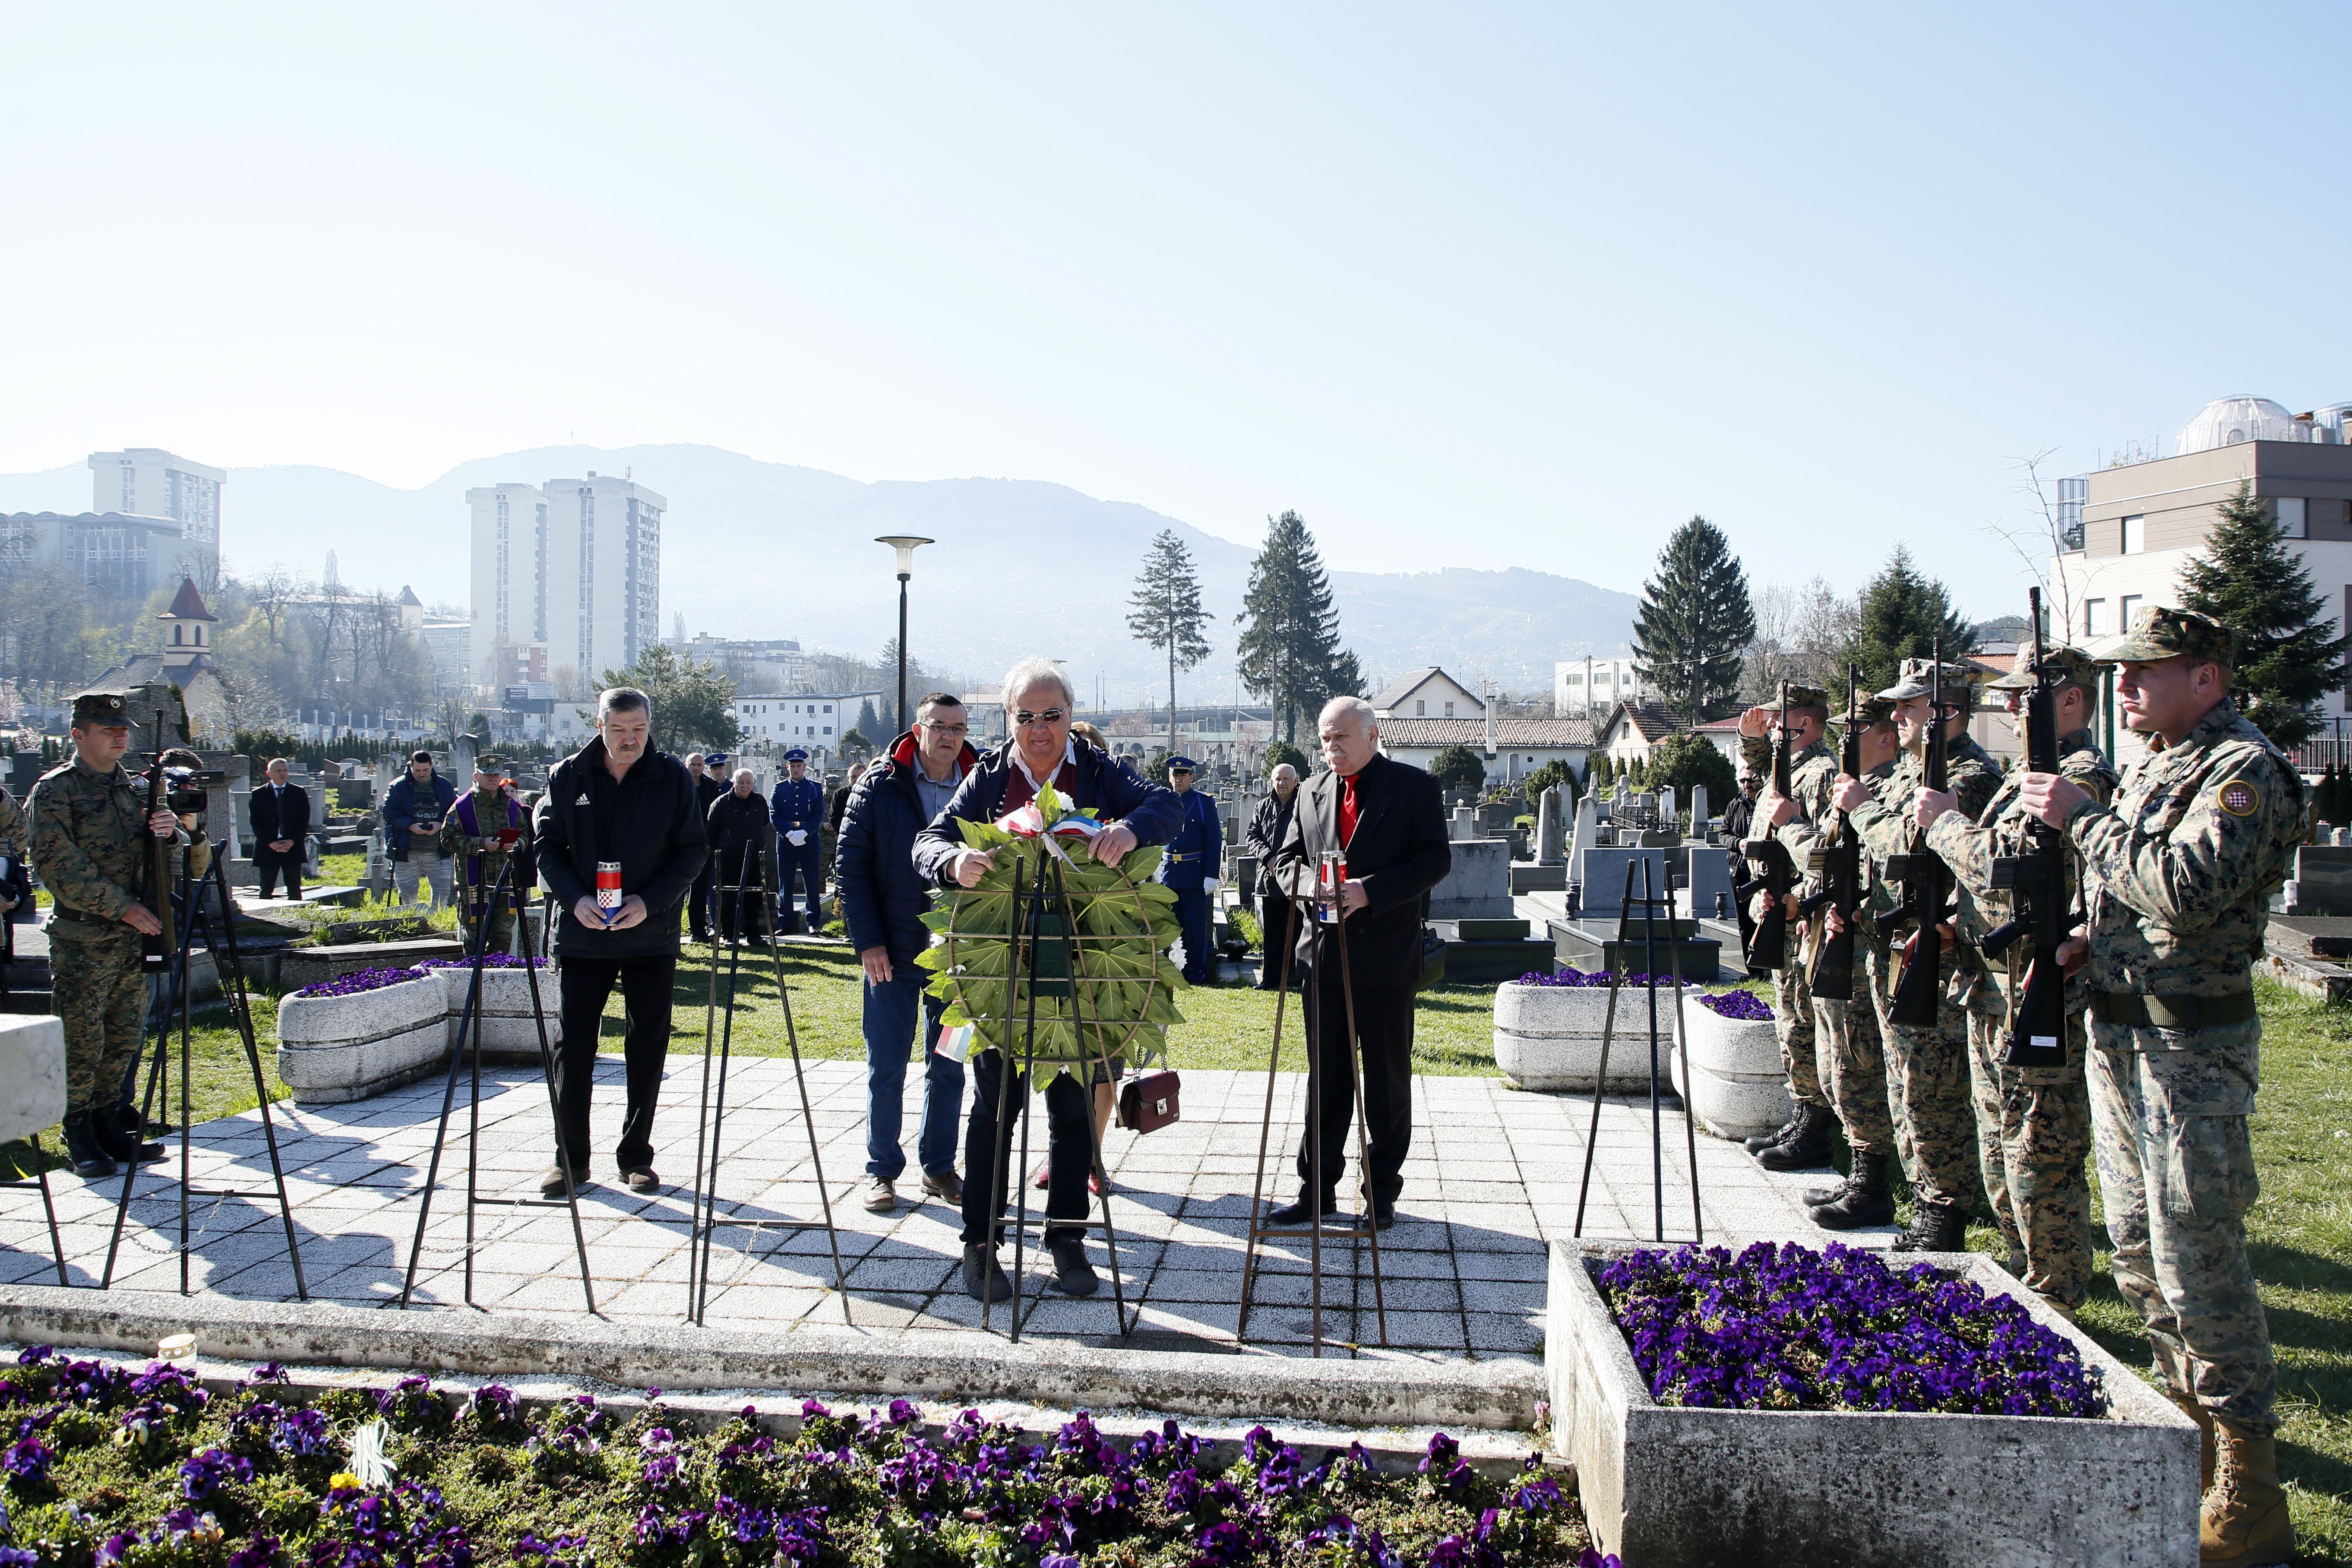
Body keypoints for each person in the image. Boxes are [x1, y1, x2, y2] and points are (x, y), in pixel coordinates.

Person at [2014, 608, 2301, 1561]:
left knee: (2200, 1262)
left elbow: (2186, 888)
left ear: (2209, 679)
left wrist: (2082, 820)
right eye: (2121, 673)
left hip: (2192, 1056)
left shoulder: (2245, 772)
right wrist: (2091, 939)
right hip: (2123, 1031)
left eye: (2145, 671)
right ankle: (2186, 1439)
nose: (2124, 687)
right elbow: (2143, 902)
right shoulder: (2161, 763)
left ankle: (2249, 1490)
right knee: (2139, 1255)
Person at [914, 658, 1180, 1303]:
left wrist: (1127, 829)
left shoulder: (1099, 769)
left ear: (1069, 717)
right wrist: (952, 861)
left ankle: (1066, 1238)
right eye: (1025, 717)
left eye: (1052, 715)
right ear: (1008, 720)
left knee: (1071, 1109)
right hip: (1001, 977)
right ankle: (981, 1244)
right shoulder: (987, 776)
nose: (1039, 730)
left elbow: (1165, 807)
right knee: (995, 1111)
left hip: (1084, 973)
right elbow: (928, 840)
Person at [1912, 648, 2114, 1312]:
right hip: (1993, 981)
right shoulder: (2029, 775)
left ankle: (2055, 1296)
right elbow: (1997, 890)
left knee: (2040, 1151)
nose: (2008, 706)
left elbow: (2005, 865)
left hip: (2041, 987)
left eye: (2027, 697)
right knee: (2001, 1145)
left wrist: (1943, 823)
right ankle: (2019, 1270)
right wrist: (1952, 922)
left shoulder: (2078, 776)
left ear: (2071, 703)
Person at [1835, 657, 2001, 1252]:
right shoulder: (1907, 773)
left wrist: (1862, 809)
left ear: (1948, 710)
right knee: (1906, 1083)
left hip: (1937, 956)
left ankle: (1944, 1209)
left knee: (1932, 1087)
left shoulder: (1970, 777)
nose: (1897, 714)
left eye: (1911, 704)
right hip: (1893, 948)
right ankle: (1918, 1193)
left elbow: (1913, 844)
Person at [1267, 695, 1451, 1231]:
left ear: (1372, 735)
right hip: (1322, 958)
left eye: (1342, 737)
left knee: (1387, 1080)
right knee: (1326, 1079)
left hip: (1387, 958)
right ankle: (1316, 1190)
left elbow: (1434, 859)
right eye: (1325, 739)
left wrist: (1368, 891)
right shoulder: (1311, 790)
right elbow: (1285, 861)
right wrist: (1312, 887)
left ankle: (1382, 1193)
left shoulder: (1414, 788)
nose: (1332, 748)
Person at [532, 687, 708, 1197]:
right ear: (599, 724)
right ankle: (570, 1159)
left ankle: (636, 1156)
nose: (629, 740)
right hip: (583, 932)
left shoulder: (672, 777)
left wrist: (649, 902)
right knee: (576, 1047)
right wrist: (574, 898)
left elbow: (692, 850)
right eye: (619, 729)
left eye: (638, 729)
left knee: (647, 1043)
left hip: (648, 934)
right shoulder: (568, 775)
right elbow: (548, 847)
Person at [26, 691, 193, 1176]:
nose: (121, 736)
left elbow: (173, 852)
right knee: (82, 1038)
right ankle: (77, 1130)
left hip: (135, 938)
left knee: (123, 1036)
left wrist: (171, 831)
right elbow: (60, 868)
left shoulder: (137, 789)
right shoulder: (57, 791)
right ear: (79, 735)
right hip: (87, 937)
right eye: (108, 729)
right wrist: (124, 909)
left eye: (123, 729)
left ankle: (108, 1122)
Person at [839, 692, 977, 1214]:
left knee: (949, 1063)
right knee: (887, 1064)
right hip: (892, 952)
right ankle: (882, 1170)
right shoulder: (879, 784)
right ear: (917, 729)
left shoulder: (979, 784)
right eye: (939, 725)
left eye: (959, 727)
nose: (949, 736)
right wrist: (869, 942)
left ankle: (939, 1165)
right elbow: (850, 869)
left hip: (958, 958)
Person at [1804, 696, 1904, 1228]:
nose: (1847, 737)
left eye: (1859, 728)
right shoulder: (1861, 789)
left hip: (1875, 946)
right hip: (1845, 934)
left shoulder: (1886, 792)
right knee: (1842, 1058)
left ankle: (1874, 1180)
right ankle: (1862, 1170)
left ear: (1885, 736)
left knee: (1859, 1061)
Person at [1736, 686, 1838, 1169]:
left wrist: (1798, 900)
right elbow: (1759, 782)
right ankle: (1804, 1115)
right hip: (1776, 907)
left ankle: (1817, 1127)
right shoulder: (1793, 767)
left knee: (1803, 1021)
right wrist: (1748, 739)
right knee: (1791, 1020)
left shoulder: (1820, 774)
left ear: (1810, 726)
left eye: (1783, 721)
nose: (1774, 727)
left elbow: (1825, 853)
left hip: (1801, 916)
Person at [440, 756, 532, 957]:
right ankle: (473, 982)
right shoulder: (462, 806)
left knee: (502, 937)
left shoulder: (510, 806)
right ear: (476, 776)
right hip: (474, 882)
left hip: (504, 880)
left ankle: (497, 976)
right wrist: (481, 844)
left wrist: (516, 844)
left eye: (496, 775)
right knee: (474, 938)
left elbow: (525, 832)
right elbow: (448, 839)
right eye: (487, 775)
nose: (492, 779)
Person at [1159, 756, 1223, 985]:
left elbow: (1215, 839)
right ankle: (1174, 970)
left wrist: (1211, 875)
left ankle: (1195, 973)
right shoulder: (1163, 801)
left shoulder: (1202, 802)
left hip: (1195, 875)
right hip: (1169, 874)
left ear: (1192, 777)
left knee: (1195, 929)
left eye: (1183, 775)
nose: (1179, 779)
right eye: (1175, 775)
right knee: (1172, 927)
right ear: (1169, 777)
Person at [1248, 762, 1303, 989]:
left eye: (1286, 779)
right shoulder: (1262, 807)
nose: (1282, 783)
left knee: (1297, 931)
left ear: (1296, 782)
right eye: (1278, 779)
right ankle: (1270, 980)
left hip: (1295, 877)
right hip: (1269, 879)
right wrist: (1269, 858)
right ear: (1272, 781)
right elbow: (1252, 837)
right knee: (1272, 933)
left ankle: (1296, 979)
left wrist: (1287, 863)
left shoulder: (1303, 806)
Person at [382, 750, 456, 912]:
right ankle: (412, 922)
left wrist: (440, 824)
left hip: (438, 850)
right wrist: (410, 826)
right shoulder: (398, 787)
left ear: (431, 766)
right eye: (417, 771)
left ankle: (437, 919)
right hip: (406, 850)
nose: (422, 774)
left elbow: (455, 813)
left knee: (443, 891)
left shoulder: (444, 786)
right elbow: (388, 813)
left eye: (425, 770)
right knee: (407, 893)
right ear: (411, 767)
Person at [706, 767, 773, 944]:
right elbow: (711, 832)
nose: (745, 786)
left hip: (754, 859)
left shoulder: (759, 801)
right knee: (730, 898)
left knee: (754, 898)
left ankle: (753, 935)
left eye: (748, 783)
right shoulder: (721, 804)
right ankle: (729, 935)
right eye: (741, 783)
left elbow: (765, 823)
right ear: (734, 783)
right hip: (730, 859)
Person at [769, 748, 825, 934]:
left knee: (811, 882)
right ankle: (785, 923)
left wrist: (805, 832)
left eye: (799, 766)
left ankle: (812, 922)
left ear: (804, 767)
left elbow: (818, 814)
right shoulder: (780, 788)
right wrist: (788, 833)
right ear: (788, 767)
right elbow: (774, 814)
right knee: (786, 882)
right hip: (786, 840)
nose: (796, 769)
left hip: (808, 839)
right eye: (792, 766)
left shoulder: (815, 788)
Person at [248, 757, 310, 901]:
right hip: (268, 847)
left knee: (294, 887)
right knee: (266, 887)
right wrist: (271, 843)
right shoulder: (259, 794)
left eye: (285, 770)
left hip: (292, 847)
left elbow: (304, 820)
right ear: (269, 774)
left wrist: (293, 840)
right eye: (278, 771)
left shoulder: (299, 793)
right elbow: (256, 822)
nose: (283, 774)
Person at [685, 752, 728, 943]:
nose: (696, 768)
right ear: (686, 765)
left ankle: (698, 931)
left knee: (701, 891)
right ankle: (672, 933)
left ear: (704, 768)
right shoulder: (679, 784)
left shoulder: (710, 787)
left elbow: (716, 816)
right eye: (693, 764)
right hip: (681, 844)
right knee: (677, 893)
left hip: (704, 845)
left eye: (700, 765)